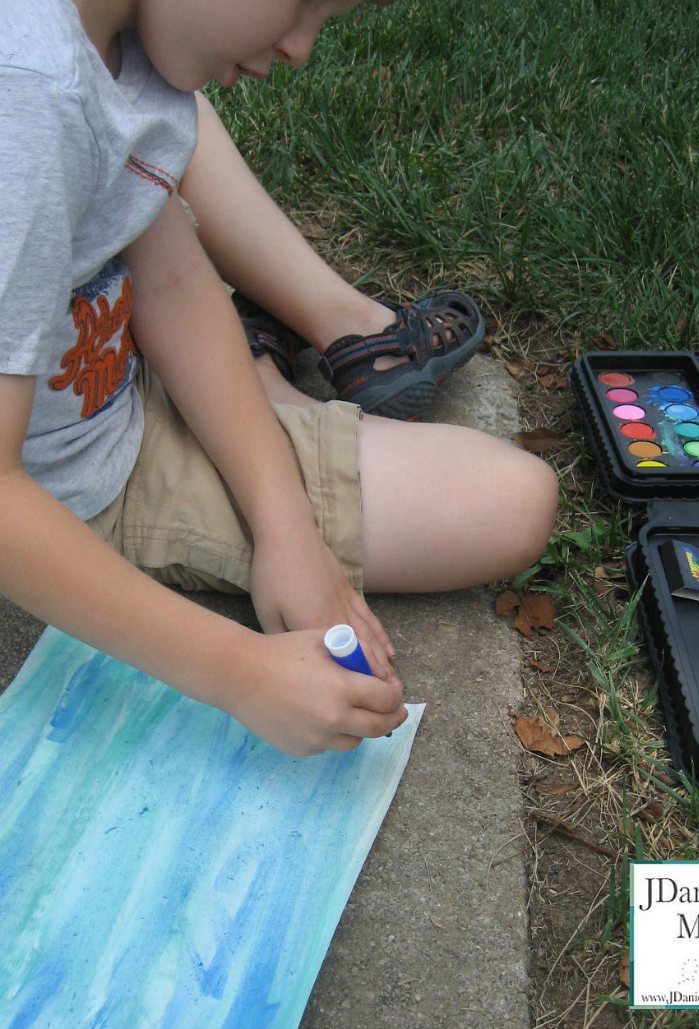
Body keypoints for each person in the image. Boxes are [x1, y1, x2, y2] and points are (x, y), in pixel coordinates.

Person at [0, 0, 559, 758]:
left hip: (106, 391)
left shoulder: (133, 52)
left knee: (512, 498)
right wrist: (239, 671)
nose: (299, 48)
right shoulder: (25, 93)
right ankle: (261, 363)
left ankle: (255, 360)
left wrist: (286, 524)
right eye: (302, 3)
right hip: (66, 486)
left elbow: (172, 284)